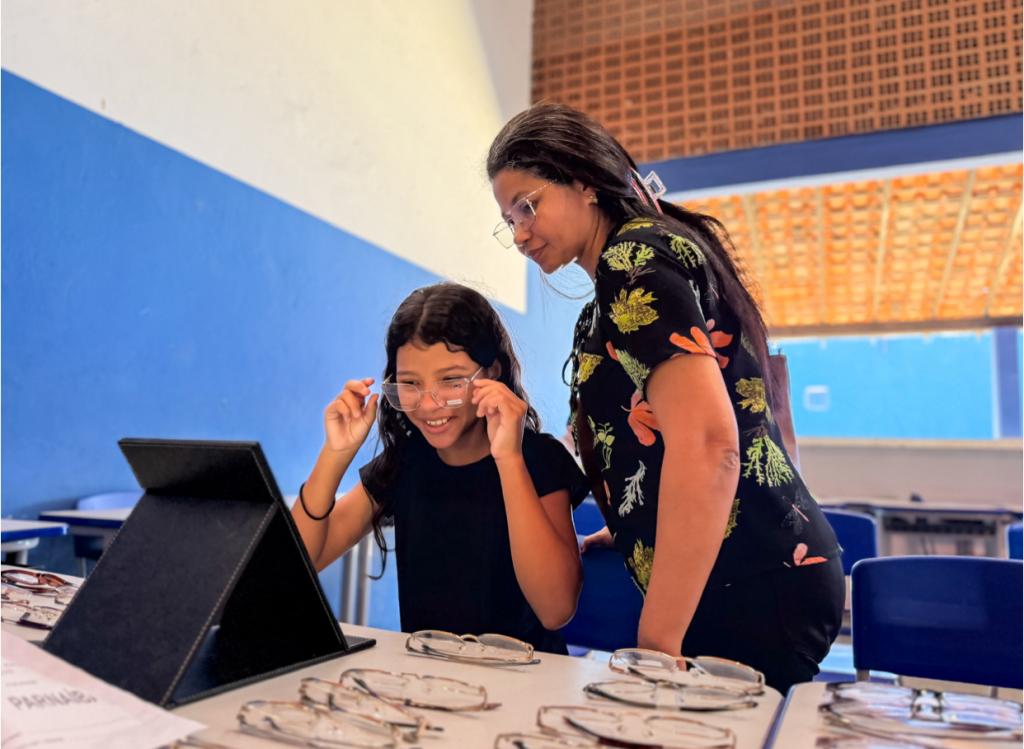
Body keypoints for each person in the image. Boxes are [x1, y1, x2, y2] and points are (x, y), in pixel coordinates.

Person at [487, 104, 844, 691]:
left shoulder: (634, 261)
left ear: (583, 181)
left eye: (528, 205)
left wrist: (656, 642)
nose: (520, 232)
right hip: (754, 565)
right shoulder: (612, 292)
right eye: (508, 220)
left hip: (746, 578)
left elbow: (710, 444)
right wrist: (640, 521)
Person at [292, 282, 588, 654]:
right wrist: (334, 455)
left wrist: (509, 459)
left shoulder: (537, 458)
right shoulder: (407, 460)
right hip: (430, 684)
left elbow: (556, 610)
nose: (429, 405)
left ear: (492, 373)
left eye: (450, 381)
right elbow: (302, 563)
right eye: (410, 384)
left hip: (525, 685)